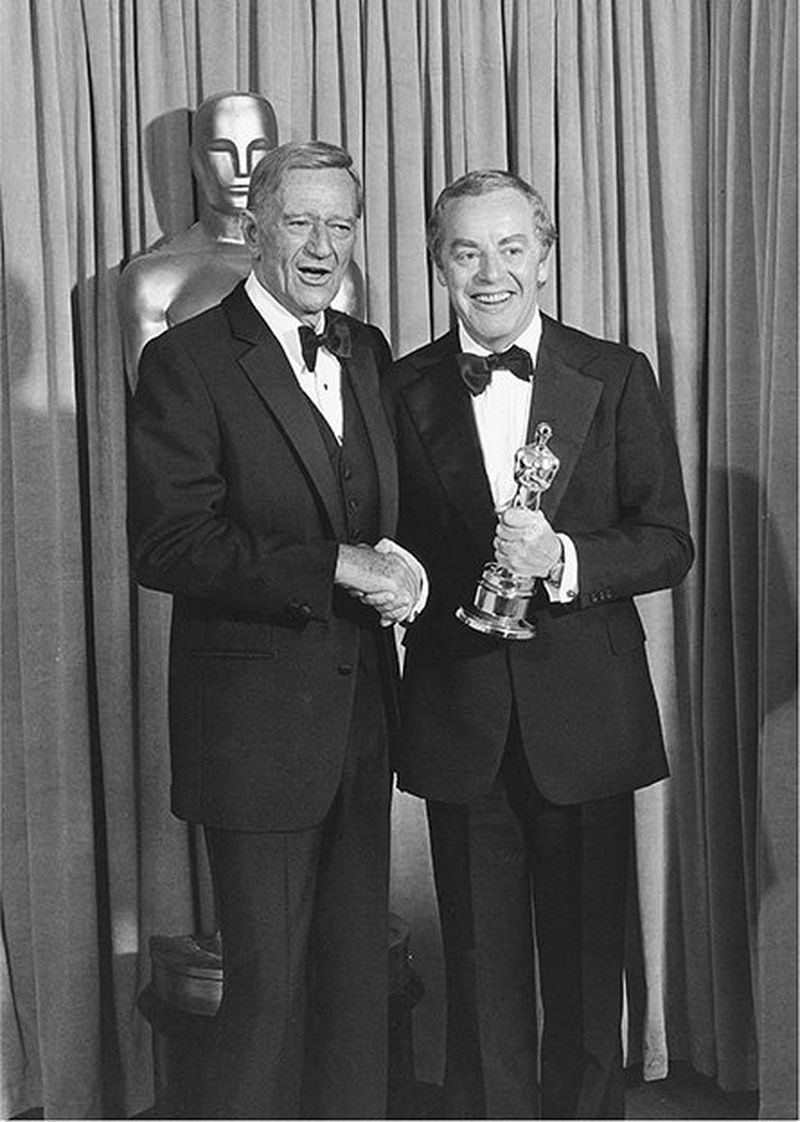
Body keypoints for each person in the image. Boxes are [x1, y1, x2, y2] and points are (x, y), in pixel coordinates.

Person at [381, 170, 693, 1119]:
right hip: (461, 717)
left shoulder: (616, 372)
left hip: (588, 726)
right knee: (481, 982)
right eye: (467, 252)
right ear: (438, 264)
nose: (491, 273)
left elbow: (669, 542)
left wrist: (562, 556)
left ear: (546, 257)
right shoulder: (397, 389)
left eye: (512, 248)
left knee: (591, 985)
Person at [127, 140, 422, 1119]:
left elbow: (384, 504)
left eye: (340, 224)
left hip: (358, 721)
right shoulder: (185, 362)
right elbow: (169, 545)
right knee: (268, 996)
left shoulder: (367, 350)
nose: (321, 244)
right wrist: (330, 564)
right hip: (251, 730)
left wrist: (402, 557)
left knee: (354, 988)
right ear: (255, 224)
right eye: (300, 221)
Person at [118, 91, 363, 387]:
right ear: (196, 159)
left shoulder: (333, 271)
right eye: (223, 150)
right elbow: (157, 408)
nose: (243, 167)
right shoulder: (154, 278)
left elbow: (348, 393)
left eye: (258, 149)